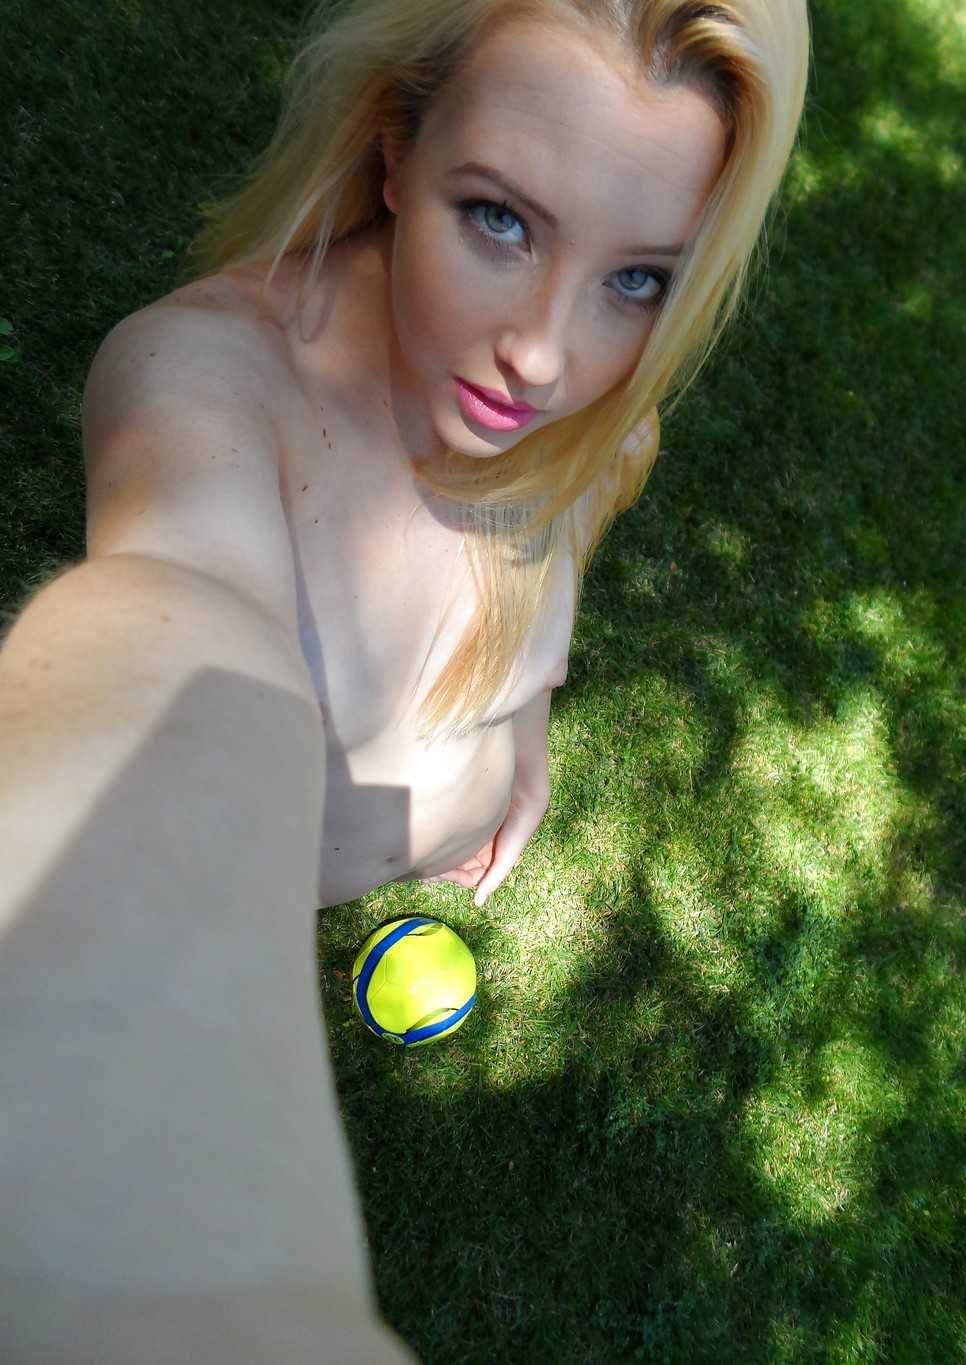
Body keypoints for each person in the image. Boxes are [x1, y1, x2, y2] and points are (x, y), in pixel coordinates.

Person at [0, 0, 809, 1358]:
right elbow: (176, 640)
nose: (544, 354)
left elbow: (563, 537)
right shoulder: (201, 387)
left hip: (436, 833)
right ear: (393, 147)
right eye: (500, 219)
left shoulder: (605, 416)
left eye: (638, 279)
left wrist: (524, 721)